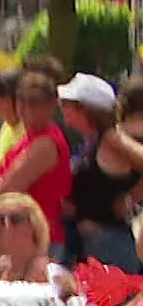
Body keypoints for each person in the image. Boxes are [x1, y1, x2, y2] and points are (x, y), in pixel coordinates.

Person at [59, 73, 143, 273]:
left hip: (109, 246)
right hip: (92, 244)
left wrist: (131, 199)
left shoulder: (111, 139)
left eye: (67, 103)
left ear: (84, 109)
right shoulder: (91, 141)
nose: (61, 107)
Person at [0, 71, 71, 258]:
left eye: (34, 102)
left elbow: (5, 191)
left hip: (39, 243)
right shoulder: (28, 137)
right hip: (19, 240)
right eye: (21, 100)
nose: (25, 108)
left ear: (52, 105)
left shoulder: (46, 143)